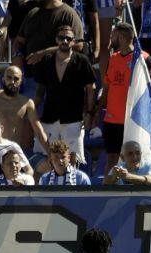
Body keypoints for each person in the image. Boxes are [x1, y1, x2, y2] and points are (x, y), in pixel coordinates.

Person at [33, 24, 97, 170]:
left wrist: (89, 112)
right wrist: (31, 109)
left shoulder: (82, 60)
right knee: (46, 157)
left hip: (73, 117)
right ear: (56, 39)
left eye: (68, 38)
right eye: (62, 38)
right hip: (50, 116)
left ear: (74, 41)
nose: (65, 41)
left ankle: (72, 189)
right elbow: (40, 90)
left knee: (73, 159)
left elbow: (90, 88)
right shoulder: (47, 60)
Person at [99, 23, 151, 175]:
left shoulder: (144, 58)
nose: (111, 39)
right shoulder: (113, 58)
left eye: (114, 35)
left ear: (122, 37)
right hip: (112, 119)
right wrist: (97, 112)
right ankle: (108, 191)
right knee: (112, 158)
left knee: (135, 159)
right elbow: (107, 87)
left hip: (133, 120)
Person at [0, 66, 49, 156]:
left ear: (21, 81)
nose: (12, 82)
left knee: (46, 166)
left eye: (16, 79)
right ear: (3, 79)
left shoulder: (27, 103)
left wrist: (50, 154)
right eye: (9, 78)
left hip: (16, 154)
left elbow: (39, 131)